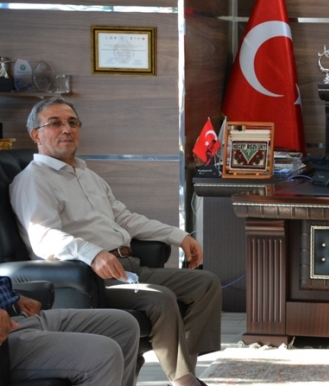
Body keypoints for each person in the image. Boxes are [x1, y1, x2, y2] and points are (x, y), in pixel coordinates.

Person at [10, 97, 222, 386]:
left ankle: (187, 372)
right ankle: (184, 381)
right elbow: (44, 237)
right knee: (160, 298)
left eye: (73, 123)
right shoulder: (33, 180)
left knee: (205, 283)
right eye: (55, 123)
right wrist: (93, 254)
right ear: (36, 135)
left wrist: (178, 235)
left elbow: (126, 219)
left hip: (129, 266)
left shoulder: (87, 175)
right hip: (91, 278)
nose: (67, 129)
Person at [0, 275, 140, 385]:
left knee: (124, 325)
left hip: (18, 313)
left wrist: (13, 295)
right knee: (104, 353)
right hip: (5, 338)